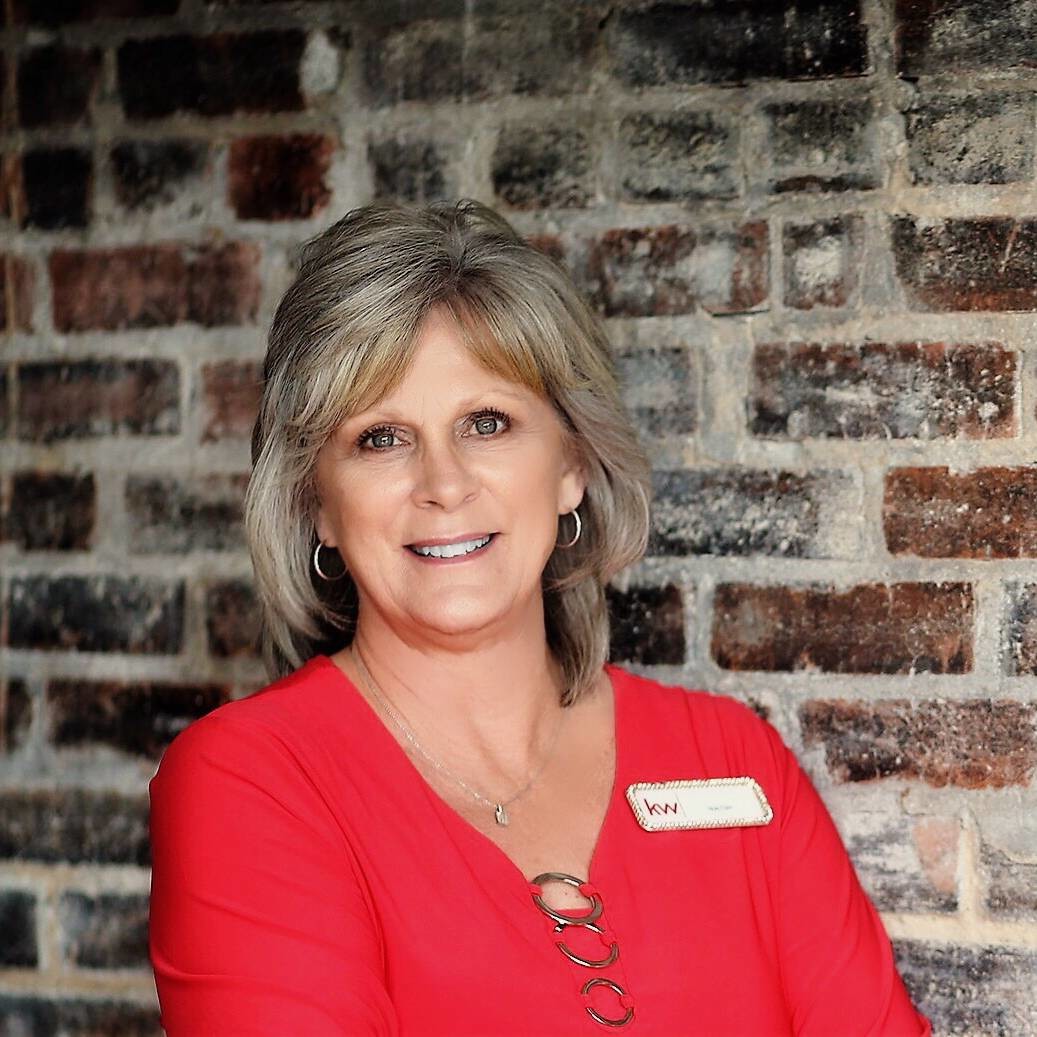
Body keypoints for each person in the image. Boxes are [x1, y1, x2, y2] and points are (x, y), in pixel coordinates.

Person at [147, 199, 932, 1036]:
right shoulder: (253, 783)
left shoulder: (732, 760)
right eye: (380, 438)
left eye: (486, 423)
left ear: (571, 467)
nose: (444, 484)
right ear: (317, 505)